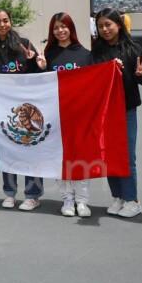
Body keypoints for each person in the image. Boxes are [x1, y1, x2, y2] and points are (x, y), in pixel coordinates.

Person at [92, 8, 142, 219]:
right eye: (101, 26)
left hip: (126, 110)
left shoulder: (134, 49)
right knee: (109, 155)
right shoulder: (96, 52)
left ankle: (132, 200)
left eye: (108, 24)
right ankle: (117, 196)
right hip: (105, 112)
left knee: (126, 156)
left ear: (118, 25)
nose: (105, 29)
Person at [0, 8, 46, 211]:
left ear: (10, 21)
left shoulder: (24, 44)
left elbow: (39, 73)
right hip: (4, 107)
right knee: (8, 150)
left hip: (29, 106)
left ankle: (32, 195)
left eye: (5, 20)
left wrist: (35, 62)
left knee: (30, 149)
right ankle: (9, 193)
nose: (2, 24)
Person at [43, 12, 93, 217]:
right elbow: (40, 85)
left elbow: (94, 83)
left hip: (80, 116)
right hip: (56, 115)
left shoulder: (85, 54)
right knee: (60, 159)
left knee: (81, 159)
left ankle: (82, 201)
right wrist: (39, 67)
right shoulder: (48, 55)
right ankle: (67, 200)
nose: (60, 30)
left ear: (71, 28)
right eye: (56, 28)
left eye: (64, 26)